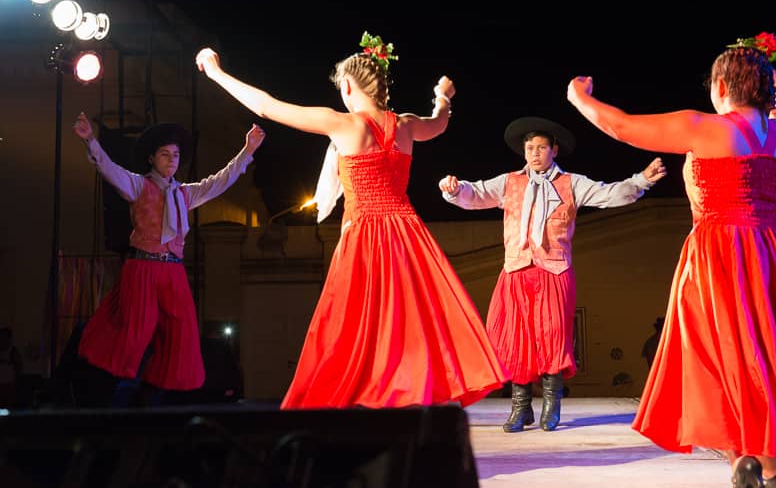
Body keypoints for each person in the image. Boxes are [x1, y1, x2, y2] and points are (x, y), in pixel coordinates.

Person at [195, 32, 508, 409]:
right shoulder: (406, 125)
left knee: (354, 327)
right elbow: (439, 123)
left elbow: (266, 106)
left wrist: (216, 73)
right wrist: (443, 96)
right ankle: (401, 397)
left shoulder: (343, 124)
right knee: (407, 324)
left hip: (364, 234)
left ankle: (365, 399)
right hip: (407, 234)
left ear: (346, 85)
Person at [567, 32, 776, 488]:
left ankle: (755, 463)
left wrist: (578, 98)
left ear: (720, 87)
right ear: (766, 88)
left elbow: (623, 127)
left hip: (723, 254)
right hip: (775, 250)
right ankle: (753, 460)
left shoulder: (708, 127)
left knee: (723, 353)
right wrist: (765, 62)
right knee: (768, 350)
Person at [439, 116, 666, 432]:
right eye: (530, 147)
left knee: (553, 338)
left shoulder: (571, 183)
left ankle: (551, 406)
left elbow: (609, 193)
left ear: (554, 150)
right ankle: (520, 408)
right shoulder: (510, 182)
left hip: (554, 271)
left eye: (541, 147)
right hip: (516, 270)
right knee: (513, 338)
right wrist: (454, 189)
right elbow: (475, 194)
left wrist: (641, 180)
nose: (534, 153)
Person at [72, 113, 265, 407]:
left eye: (175, 155)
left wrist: (247, 150)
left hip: (173, 271)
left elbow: (221, 181)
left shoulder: (185, 194)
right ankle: (109, 401)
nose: (172, 159)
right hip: (143, 267)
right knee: (135, 334)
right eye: (165, 154)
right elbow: (109, 169)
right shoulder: (138, 186)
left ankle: (149, 400)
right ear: (152, 158)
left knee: (181, 338)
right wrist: (90, 140)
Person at [0, 327, 23, 408]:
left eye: (4, 338)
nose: (2, 340)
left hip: (10, 388)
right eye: (1, 337)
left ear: (9, 339)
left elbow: (19, 370)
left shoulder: (14, 353)